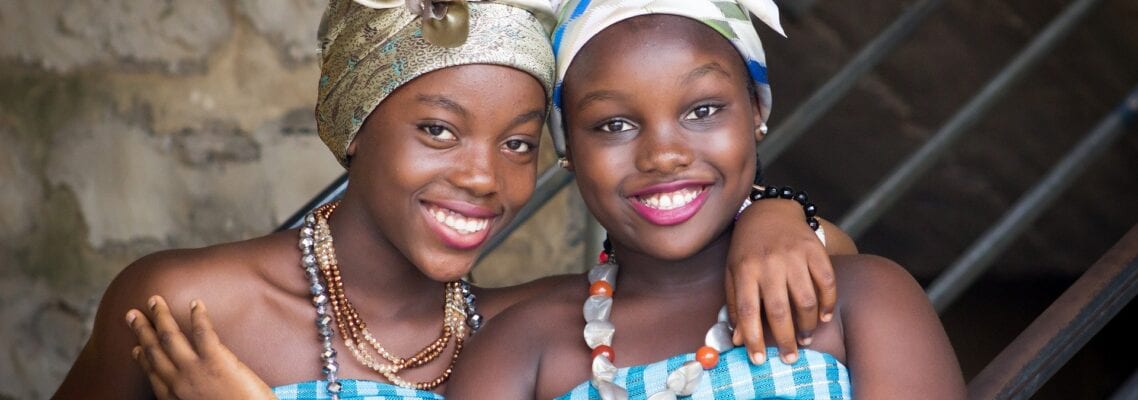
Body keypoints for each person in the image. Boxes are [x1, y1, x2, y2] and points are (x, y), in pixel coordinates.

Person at [54, 0, 856, 399]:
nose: (484, 177)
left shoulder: (520, 333)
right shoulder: (188, 311)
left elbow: (839, 264)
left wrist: (774, 213)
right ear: (353, 125)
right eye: (439, 131)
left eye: (516, 144)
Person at [443, 0, 966, 398]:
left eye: (703, 111)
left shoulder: (860, 299)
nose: (664, 155)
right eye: (614, 124)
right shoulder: (522, 346)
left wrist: (775, 209)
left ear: (756, 113)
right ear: (569, 151)